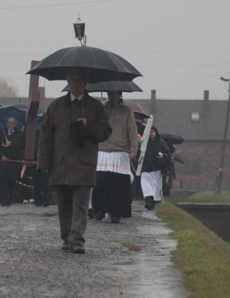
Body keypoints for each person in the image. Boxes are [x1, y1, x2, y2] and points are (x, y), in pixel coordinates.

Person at [37, 68, 112, 254]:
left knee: (80, 203)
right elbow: (46, 136)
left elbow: (105, 132)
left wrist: (88, 126)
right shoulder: (56, 106)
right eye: (72, 79)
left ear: (85, 82)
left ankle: (77, 239)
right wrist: (44, 162)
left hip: (83, 163)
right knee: (63, 203)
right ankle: (66, 237)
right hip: (61, 162)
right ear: (67, 81)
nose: (76, 83)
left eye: (79, 80)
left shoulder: (95, 107)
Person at [91, 91, 138, 224]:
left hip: (119, 150)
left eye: (113, 93)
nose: (111, 95)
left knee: (117, 185)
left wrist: (133, 150)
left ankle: (116, 212)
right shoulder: (100, 108)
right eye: (109, 93)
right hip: (102, 148)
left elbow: (133, 132)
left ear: (119, 94)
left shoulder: (127, 111)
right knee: (100, 183)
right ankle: (99, 209)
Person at [0, 116, 25, 206]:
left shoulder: (20, 134)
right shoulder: (0, 133)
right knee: (3, 180)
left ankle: (10, 198)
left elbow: (22, 145)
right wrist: (1, 156)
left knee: (11, 181)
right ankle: (5, 200)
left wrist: (12, 144)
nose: (9, 124)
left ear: (15, 124)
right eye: (8, 122)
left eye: (11, 123)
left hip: (13, 162)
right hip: (2, 161)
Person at [139, 126, 171, 210]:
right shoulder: (144, 143)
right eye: (150, 132)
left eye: (153, 131)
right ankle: (149, 201)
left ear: (156, 132)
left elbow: (167, 154)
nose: (151, 133)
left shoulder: (161, 143)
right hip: (146, 167)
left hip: (157, 168)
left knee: (155, 186)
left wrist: (162, 158)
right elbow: (139, 153)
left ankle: (152, 202)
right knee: (146, 185)